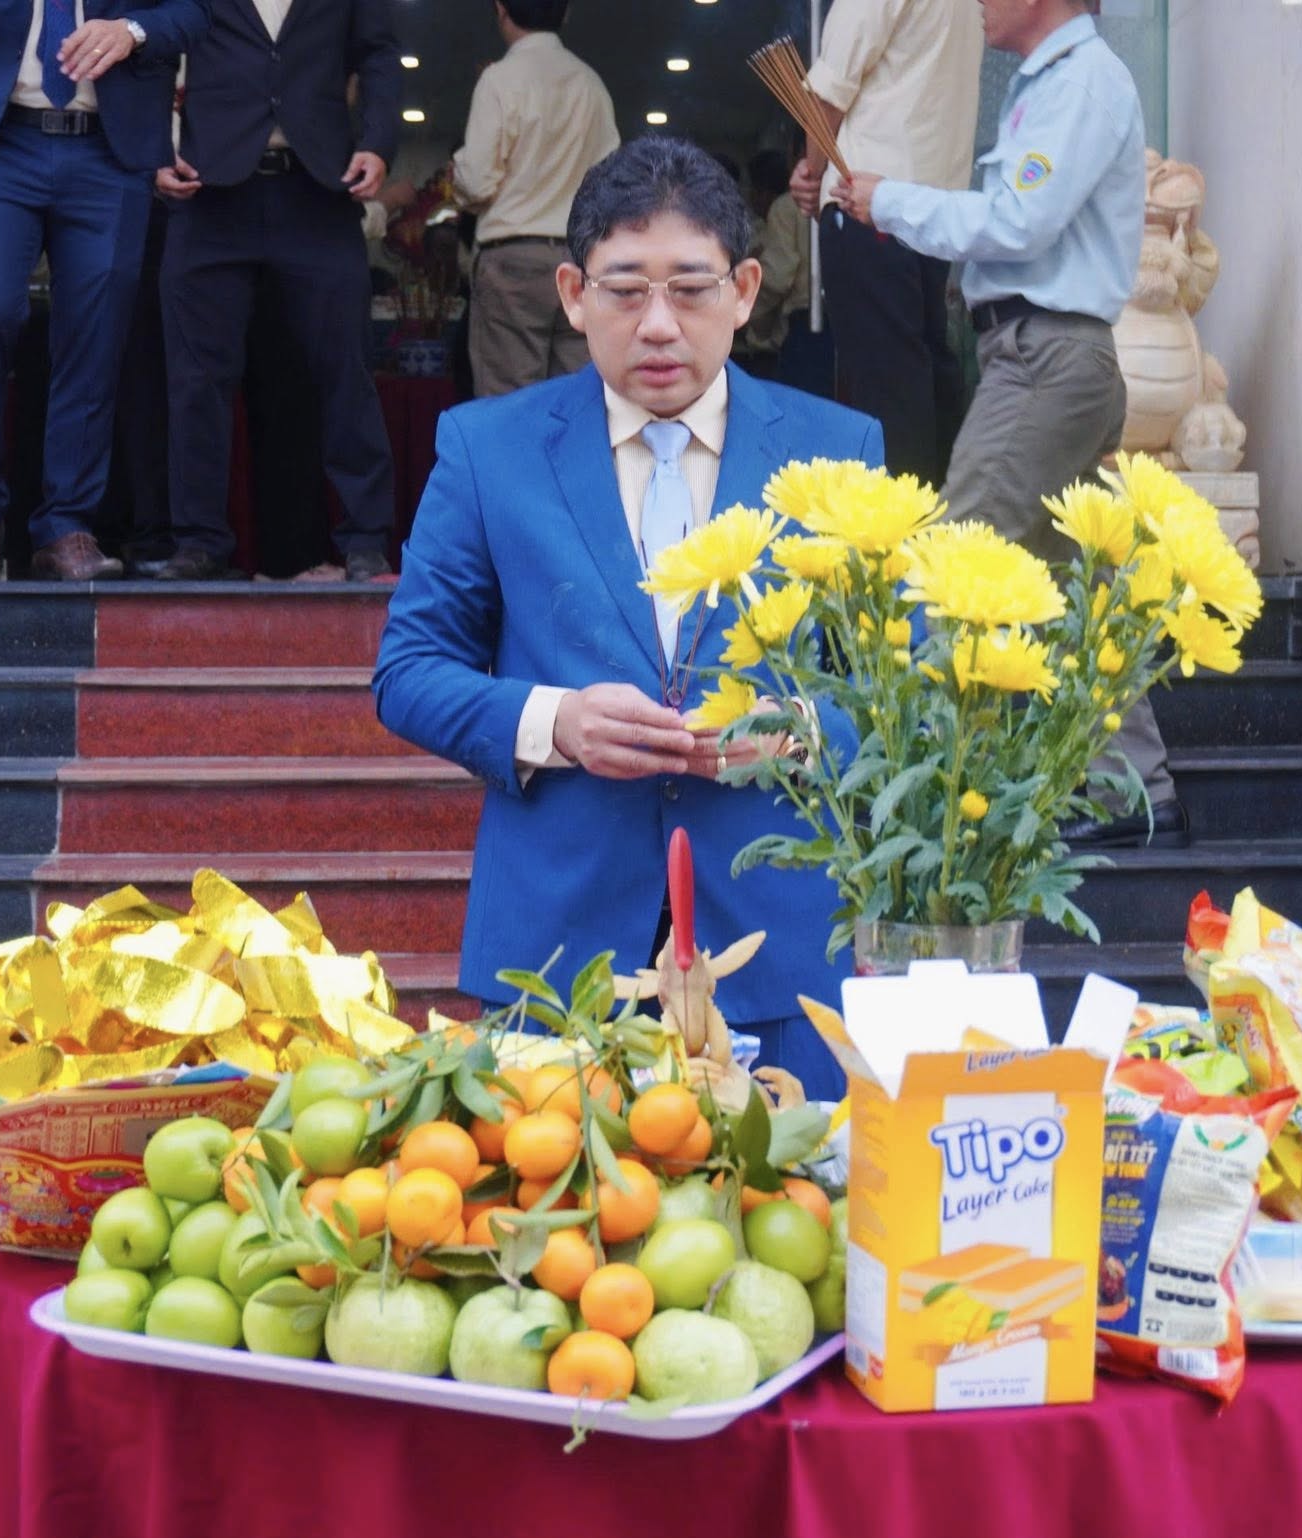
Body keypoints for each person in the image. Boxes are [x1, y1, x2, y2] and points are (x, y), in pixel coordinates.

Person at [373, 138, 884, 1101]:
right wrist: (555, 722)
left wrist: (800, 732)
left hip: (780, 951)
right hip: (558, 954)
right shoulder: (490, 448)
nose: (658, 325)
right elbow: (408, 671)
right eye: (624, 290)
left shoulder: (838, 450)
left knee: (796, 1193)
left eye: (690, 290)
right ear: (572, 294)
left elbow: (902, 693)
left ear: (743, 290)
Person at [832, 0, 1184, 846]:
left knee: (962, 561)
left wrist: (891, 201)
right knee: (1068, 589)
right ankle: (1137, 795)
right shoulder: (1054, 83)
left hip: (1045, 359)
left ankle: (929, 801)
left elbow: (1019, 223)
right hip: (1040, 356)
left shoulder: (1083, 82)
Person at [0, 0, 207, 581]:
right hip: (0, 144)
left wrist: (131, 30)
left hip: (110, 153)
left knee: (95, 336)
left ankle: (66, 526)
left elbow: (196, 12)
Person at [150, 0, 402, 581]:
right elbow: (154, 51)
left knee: (345, 367)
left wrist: (379, 140)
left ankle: (366, 536)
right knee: (196, 375)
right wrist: (152, 150)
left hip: (318, 187)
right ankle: (198, 539)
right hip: (209, 191)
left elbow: (379, 54)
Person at [788, 0, 981, 481]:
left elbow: (829, 93)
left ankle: (898, 524)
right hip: (934, 213)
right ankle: (945, 516)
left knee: (887, 393)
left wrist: (811, 171)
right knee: (930, 383)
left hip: (868, 201)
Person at [451, 0, 619, 398]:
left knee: (509, 401)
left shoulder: (499, 79)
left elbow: (477, 181)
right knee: (577, 399)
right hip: (580, 259)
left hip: (513, 257)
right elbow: (613, 181)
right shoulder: (591, 84)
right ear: (566, 13)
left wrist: (455, 170)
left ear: (500, 9)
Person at [740, 147, 831, 398]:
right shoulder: (847, 201)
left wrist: (746, 317)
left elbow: (777, 277)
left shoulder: (786, 207)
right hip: (845, 324)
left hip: (804, 327)